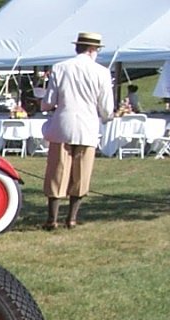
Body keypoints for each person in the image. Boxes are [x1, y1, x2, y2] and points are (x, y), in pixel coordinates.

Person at [40, 32, 114, 230]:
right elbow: (106, 107)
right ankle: (71, 218)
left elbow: (48, 102)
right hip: (87, 126)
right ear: (92, 50)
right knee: (82, 173)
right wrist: (108, 116)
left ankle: (52, 219)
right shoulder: (102, 72)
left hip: (62, 124)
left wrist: (46, 106)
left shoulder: (60, 68)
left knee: (57, 171)